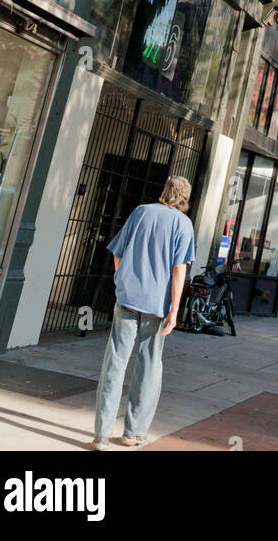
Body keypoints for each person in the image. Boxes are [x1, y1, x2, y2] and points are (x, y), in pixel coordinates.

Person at [92, 175, 196, 451]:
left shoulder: (141, 212)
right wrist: (174, 310)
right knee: (149, 366)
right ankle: (133, 432)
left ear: (164, 191)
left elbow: (117, 253)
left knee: (115, 362)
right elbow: (178, 270)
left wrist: (123, 281)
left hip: (128, 299)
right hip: (157, 306)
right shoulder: (184, 225)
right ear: (185, 199)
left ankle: (101, 434)